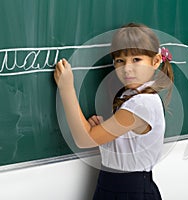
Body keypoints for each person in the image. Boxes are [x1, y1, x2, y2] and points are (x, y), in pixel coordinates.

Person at [54, 22, 174, 200]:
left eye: (136, 60)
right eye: (120, 61)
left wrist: (66, 89)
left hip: (130, 192)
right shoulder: (130, 96)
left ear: (155, 61)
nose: (127, 68)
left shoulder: (142, 104)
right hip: (111, 186)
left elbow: (84, 140)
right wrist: (106, 134)